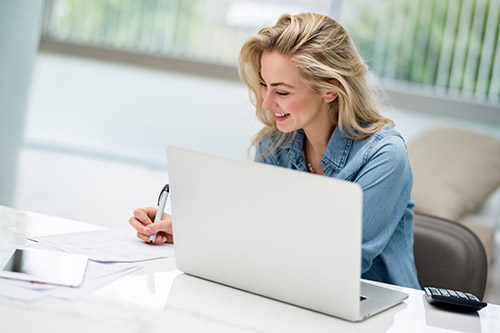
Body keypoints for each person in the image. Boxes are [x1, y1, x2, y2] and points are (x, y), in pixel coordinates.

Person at [129, 12, 420, 289]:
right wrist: (188, 231)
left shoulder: (384, 156)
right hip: (291, 295)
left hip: (383, 311)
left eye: (282, 91)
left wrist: (227, 241)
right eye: (264, 86)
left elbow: (337, 264)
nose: (267, 103)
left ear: (330, 89)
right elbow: (259, 233)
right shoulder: (276, 144)